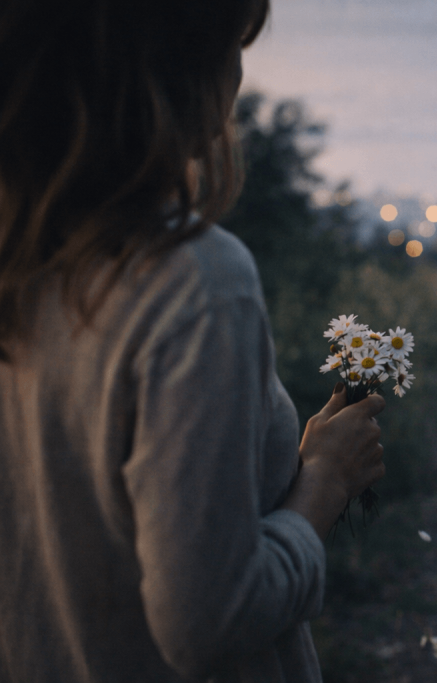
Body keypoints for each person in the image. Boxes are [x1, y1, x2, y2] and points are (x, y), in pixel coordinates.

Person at [0, 2, 386, 681]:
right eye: (232, 43)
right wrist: (323, 485)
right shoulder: (192, 281)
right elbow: (212, 620)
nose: (240, 72)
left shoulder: (21, 260)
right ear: (175, 68)